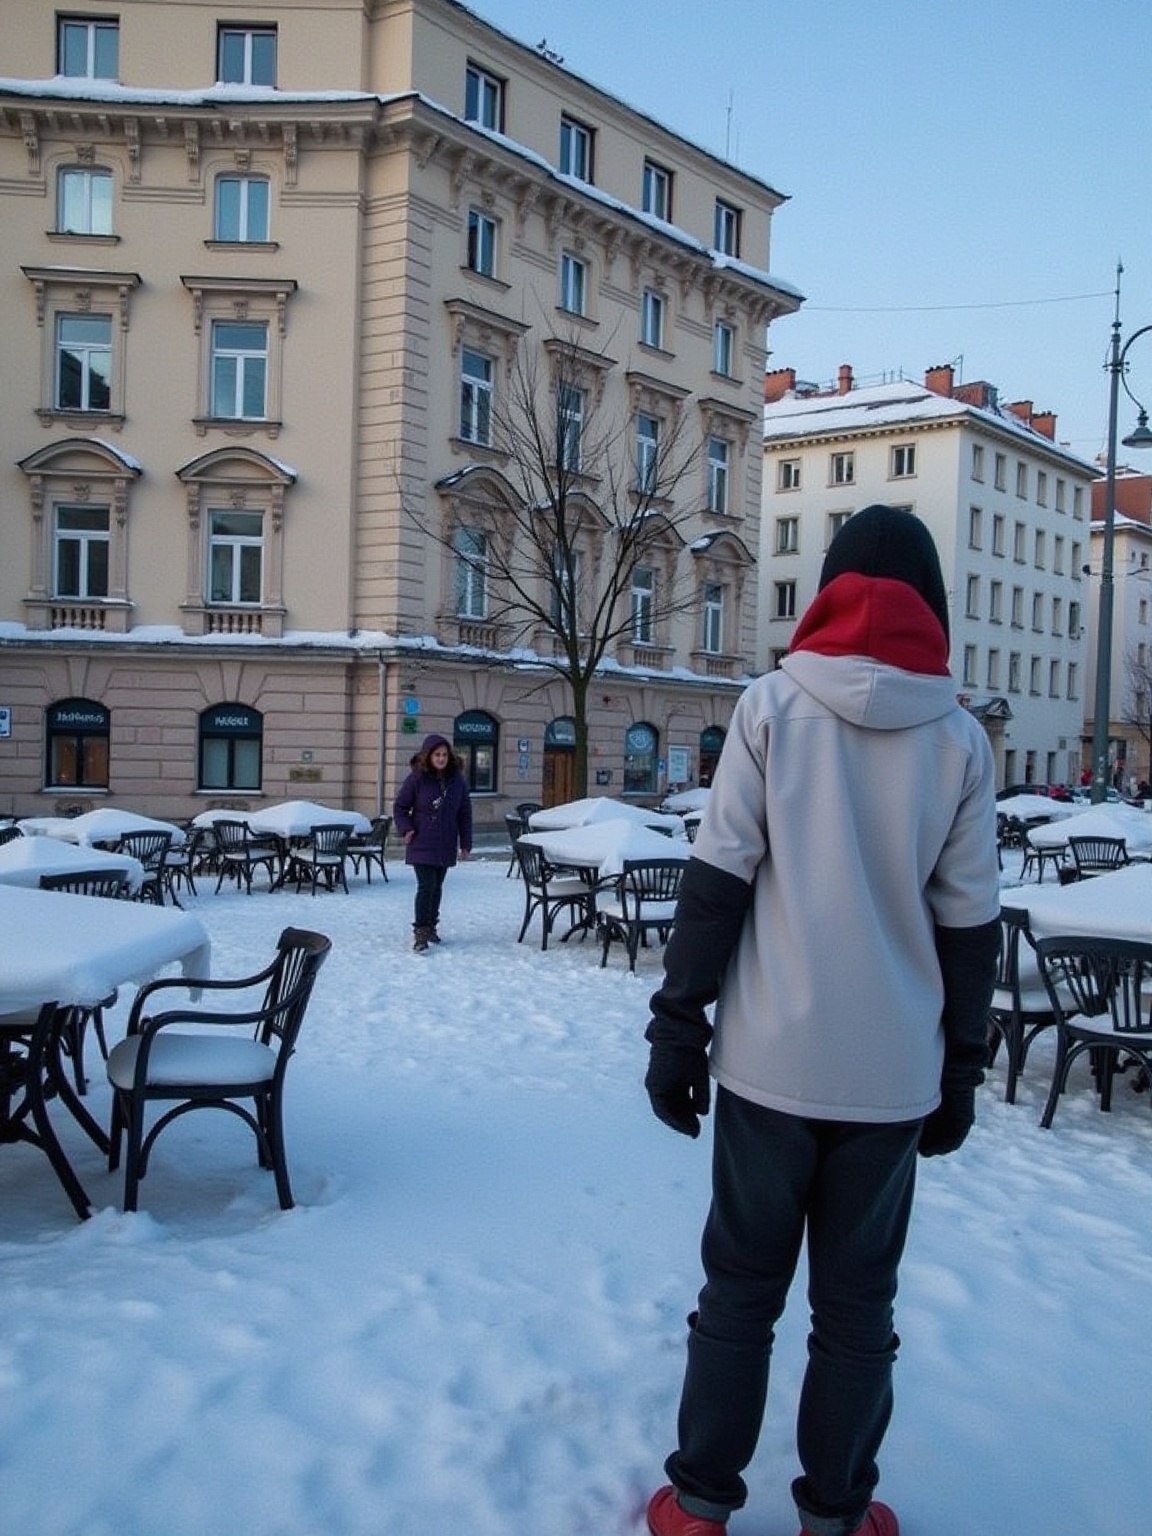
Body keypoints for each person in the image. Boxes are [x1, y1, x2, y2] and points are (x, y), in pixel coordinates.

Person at [642, 505, 1000, 1536]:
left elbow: (716, 884)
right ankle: (838, 1513)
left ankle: (699, 1502)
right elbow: (968, 925)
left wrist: (678, 1029)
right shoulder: (962, 740)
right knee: (856, 1313)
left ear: (830, 589)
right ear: (931, 603)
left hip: (769, 1061)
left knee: (739, 1293)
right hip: (891, 1072)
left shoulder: (767, 709)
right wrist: (964, 1067)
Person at [392, 733, 472, 952]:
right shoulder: (417, 778)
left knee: (437, 887)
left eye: (444, 754)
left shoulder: (457, 780)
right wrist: (407, 829)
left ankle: (431, 927)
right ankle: (420, 931)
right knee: (426, 886)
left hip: (445, 841)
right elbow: (400, 807)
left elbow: (464, 813)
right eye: (437, 754)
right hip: (422, 840)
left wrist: (465, 843)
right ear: (428, 756)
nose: (441, 758)